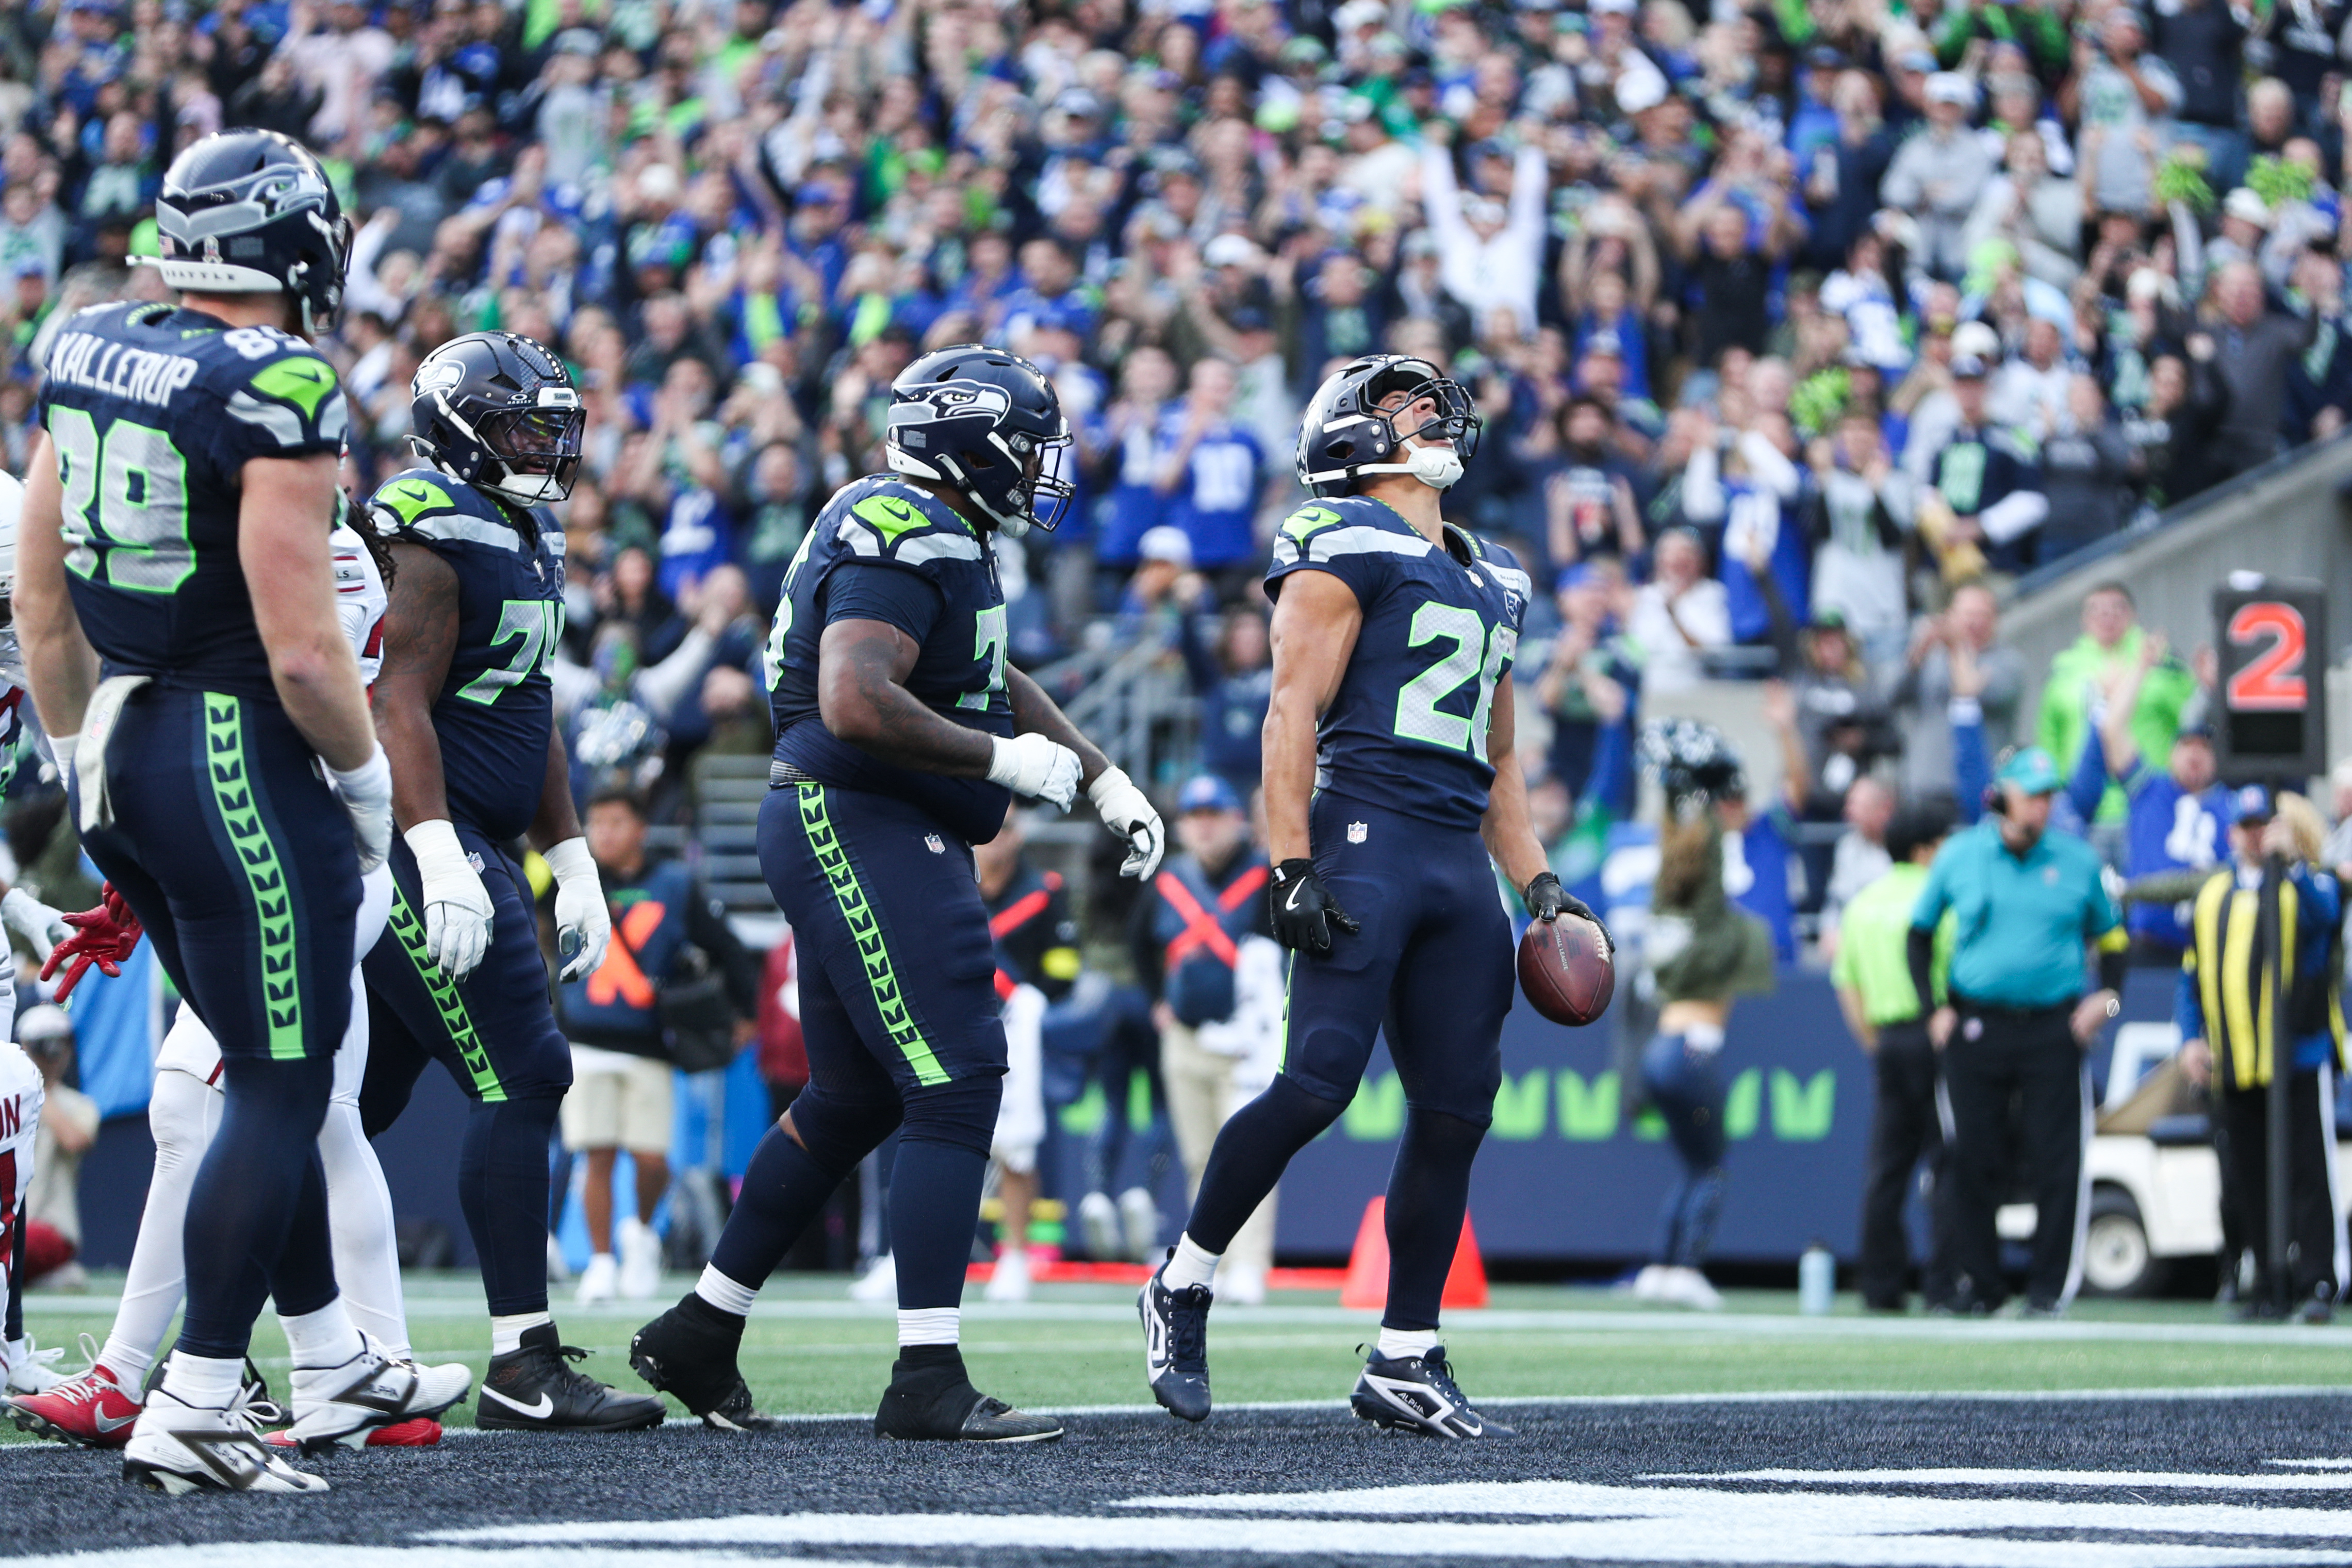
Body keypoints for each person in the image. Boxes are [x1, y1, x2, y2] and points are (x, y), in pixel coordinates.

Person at [14, 129, 447, 1492]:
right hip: (234, 754)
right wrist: (367, 786)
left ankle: (328, 1357)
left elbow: (40, 598)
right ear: (296, 247)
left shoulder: (85, 341)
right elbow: (307, 654)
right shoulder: (277, 379)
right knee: (281, 1078)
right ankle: (199, 1394)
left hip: (121, 744)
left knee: (263, 1068)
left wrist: (78, 754)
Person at [629, 343, 1164, 1442]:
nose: (1042, 468)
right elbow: (854, 696)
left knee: (857, 1097)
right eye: (1027, 446)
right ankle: (925, 1372)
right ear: (967, 443)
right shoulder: (902, 526)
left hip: (865, 819)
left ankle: (700, 1328)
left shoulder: (932, 526)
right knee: (958, 1074)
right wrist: (999, 760)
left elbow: (986, 672)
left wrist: (1103, 775)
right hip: (860, 816)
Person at [1138, 352, 1597, 1437]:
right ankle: (1183, 1279)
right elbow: (1289, 709)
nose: (1430, 410)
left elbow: (1500, 756)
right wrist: (1288, 861)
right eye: (1401, 402)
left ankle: (1405, 1352)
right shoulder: (1337, 535)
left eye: (1431, 399)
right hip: (1366, 834)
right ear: (1348, 436)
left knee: (1457, 1108)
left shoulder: (1496, 574)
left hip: (1456, 858)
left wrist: (1539, 883)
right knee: (1317, 1081)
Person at [9, 524, 469, 1451]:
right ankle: (366, 1375)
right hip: (265, 845)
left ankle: (129, 1377)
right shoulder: (262, 532)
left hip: (299, 855)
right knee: (326, 1121)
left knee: (192, 1098)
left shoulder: (318, 544)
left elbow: (272, 700)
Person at [357, 330, 655, 1434]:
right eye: (524, 428)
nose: (545, 448)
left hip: (472, 826)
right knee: (525, 1067)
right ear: (458, 429)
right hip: (407, 833)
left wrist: (570, 855)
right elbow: (393, 701)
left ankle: (223, 1345)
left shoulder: (524, 528)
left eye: (552, 428)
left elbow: (528, 708)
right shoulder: (426, 523)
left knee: (347, 1104)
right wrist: (436, 846)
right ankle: (521, 1361)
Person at [1909, 747, 2129, 1316]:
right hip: (1977, 1023)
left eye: (2048, 795)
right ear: (2002, 797)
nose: (2041, 806)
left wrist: (2105, 1003)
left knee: (2058, 1159)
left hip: (2054, 1027)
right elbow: (1919, 934)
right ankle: (1981, 1285)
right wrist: (1933, 1009)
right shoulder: (1960, 854)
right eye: (2032, 795)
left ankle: (2049, 1289)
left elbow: (2113, 942)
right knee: (1972, 1157)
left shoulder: (2077, 860)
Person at [556, 784, 760, 1306]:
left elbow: (727, 945)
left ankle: (641, 1234)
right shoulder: (572, 880)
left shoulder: (674, 884)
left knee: (651, 1158)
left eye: (616, 822)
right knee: (595, 1154)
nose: (604, 834)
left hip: (648, 1040)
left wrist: (744, 1012)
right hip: (586, 1037)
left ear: (641, 828)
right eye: (596, 823)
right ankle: (601, 1261)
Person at [2178, 785, 2347, 1322]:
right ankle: (2268, 1282)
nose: (2255, 835)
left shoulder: (2306, 883)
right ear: (2232, 832)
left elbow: (2326, 917)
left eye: (2264, 825)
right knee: (2247, 1176)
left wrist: (2290, 864)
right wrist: (2190, 1037)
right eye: (2247, 825)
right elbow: (2191, 974)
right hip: (2235, 1058)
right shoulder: (2213, 893)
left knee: (2308, 1172)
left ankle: (2317, 1279)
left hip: (2296, 1055)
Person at [1630, 720, 1779, 1312]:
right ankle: (1686, 1267)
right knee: (1712, 1165)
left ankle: (1660, 1266)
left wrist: (1677, 797)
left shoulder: (1672, 896)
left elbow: (1681, 848)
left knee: (1693, 1165)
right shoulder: (1710, 920)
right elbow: (1706, 864)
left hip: (1660, 1053)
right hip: (1690, 1052)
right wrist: (1704, 804)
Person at [1136, 775, 1275, 1305]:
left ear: (1236, 820)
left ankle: (1250, 1263)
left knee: (1252, 1153)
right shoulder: (1170, 878)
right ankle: (1210, 1260)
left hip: (1247, 1038)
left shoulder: (1264, 875)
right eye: (1195, 817)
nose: (1205, 826)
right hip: (1186, 1035)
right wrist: (1158, 999)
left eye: (1214, 814)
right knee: (1201, 1157)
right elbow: (1137, 942)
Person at [1832, 799, 1958, 1313]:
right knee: (1948, 1162)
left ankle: (1881, 1286)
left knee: (1887, 1168)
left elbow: (1846, 982)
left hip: (1888, 1039)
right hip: (1937, 1036)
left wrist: (1872, 1039)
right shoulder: (1942, 899)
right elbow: (1957, 970)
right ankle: (1945, 1284)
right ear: (1926, 849)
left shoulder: (1863, 903)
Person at [975, 804, 1081, 1305]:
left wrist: (1030, 996)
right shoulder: (948, 883)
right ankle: (905, 1254)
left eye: (1007, 827)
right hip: (953, 1024)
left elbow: (1063, 966)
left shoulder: (1044, 890)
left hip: (1018, 1030)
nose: (996, 836)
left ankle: (1014, 1254)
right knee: (930, 1137)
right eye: (988, 826)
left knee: (1016, 1144)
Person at [2071, 632, 2223, 964]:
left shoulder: (2229, 804)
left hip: (2211, 948)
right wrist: (2140, 668)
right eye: (2187, 747)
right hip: (2149, 943)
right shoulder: (2151, 789)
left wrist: (2214, 688)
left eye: (2204, 749)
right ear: (2171, 754)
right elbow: (2112, 729)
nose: (2195, 756)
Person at [2036, 582, 2197, 826]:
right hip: (2083, 808)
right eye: (2097, 609)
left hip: (2150, 801)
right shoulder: (2063, 670)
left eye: (2116, 608)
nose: (2107, 616)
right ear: (2084, 619)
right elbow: (2050, 740)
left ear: (2133, 615)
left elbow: (2190, 724)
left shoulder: (2162, 662)